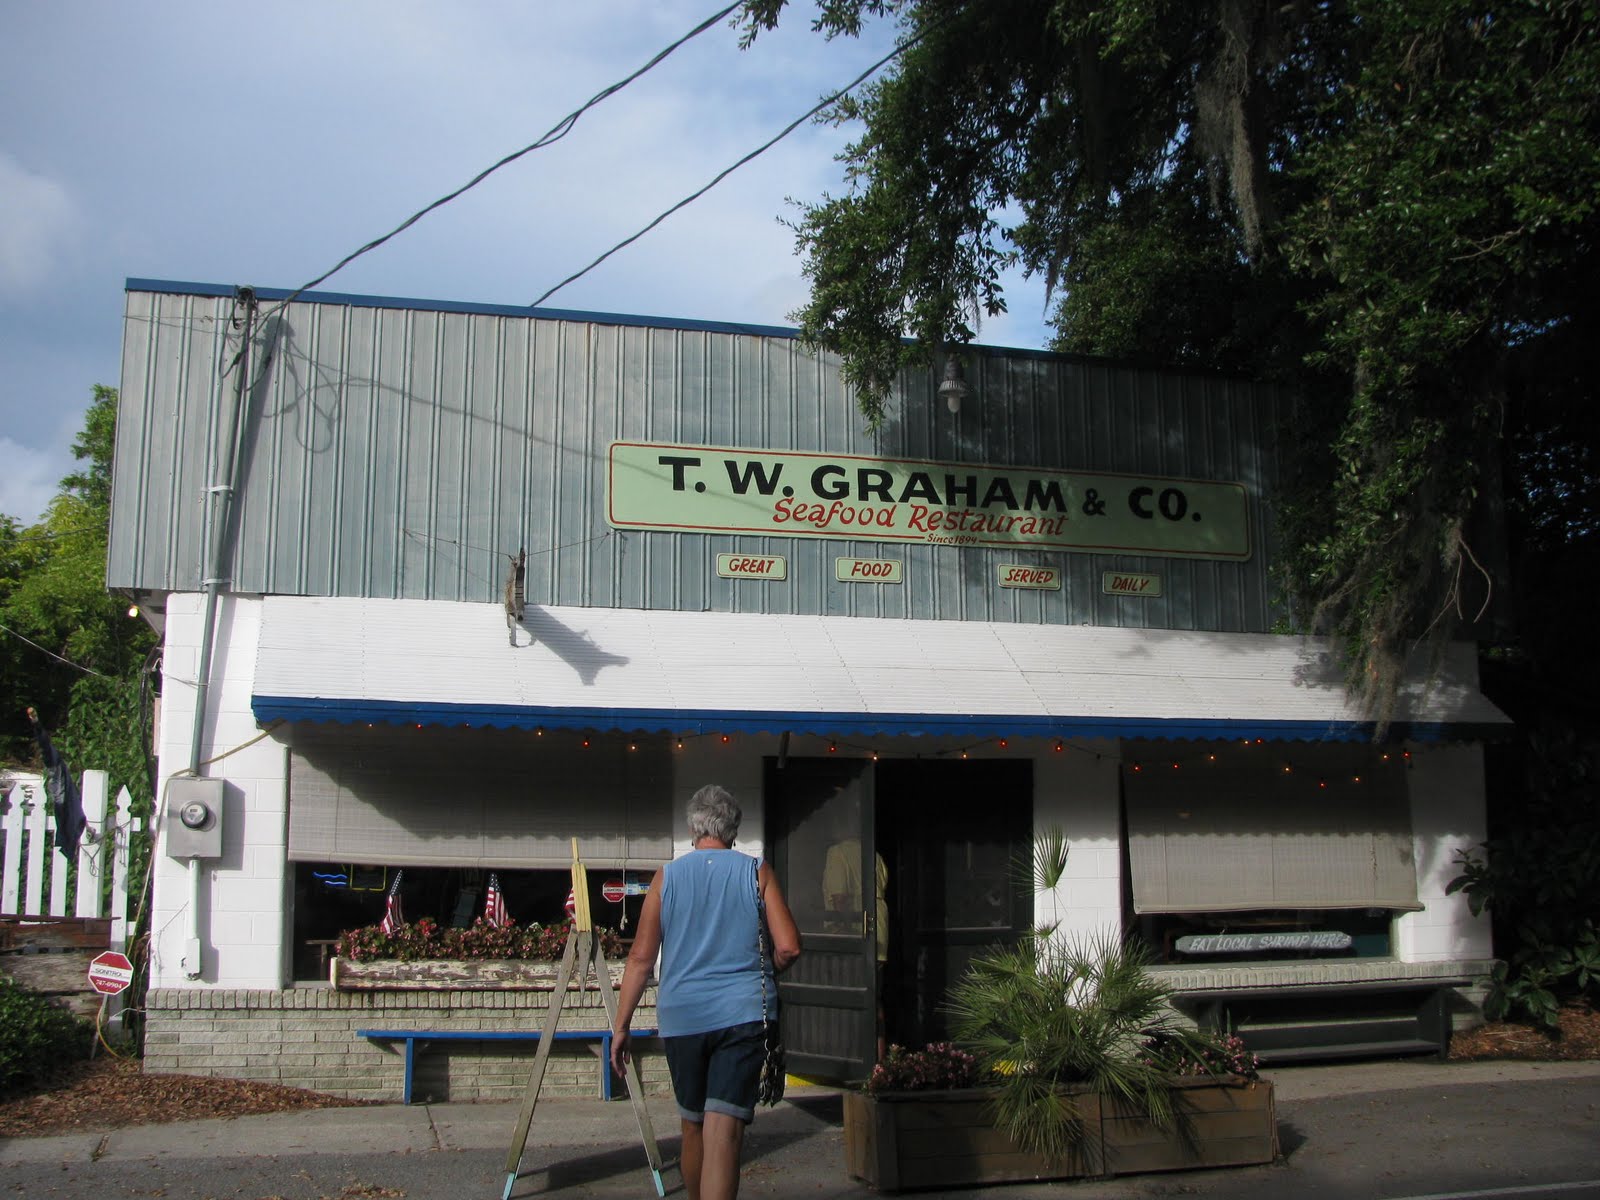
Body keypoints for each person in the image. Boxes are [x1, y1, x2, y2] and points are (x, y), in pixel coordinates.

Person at [611, 785, 800, 1200]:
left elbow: (640, 959)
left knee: (693, 1125)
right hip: (743, 1013)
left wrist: (621, 1026)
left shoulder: (667, 877)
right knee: (724, 1129)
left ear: (694, 827)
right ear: (733, 828)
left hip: (683, 1017)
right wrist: (769, 968)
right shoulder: (756, 872)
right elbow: (788, 946)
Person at [822, 835, 889, 1060]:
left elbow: (840, 898)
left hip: (856, 931)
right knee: (875, 998)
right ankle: (879, 1061)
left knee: (849, 998)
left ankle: (850, 1058)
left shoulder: (837, 852)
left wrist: (847, 933)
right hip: (879, 928)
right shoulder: (875, 855)